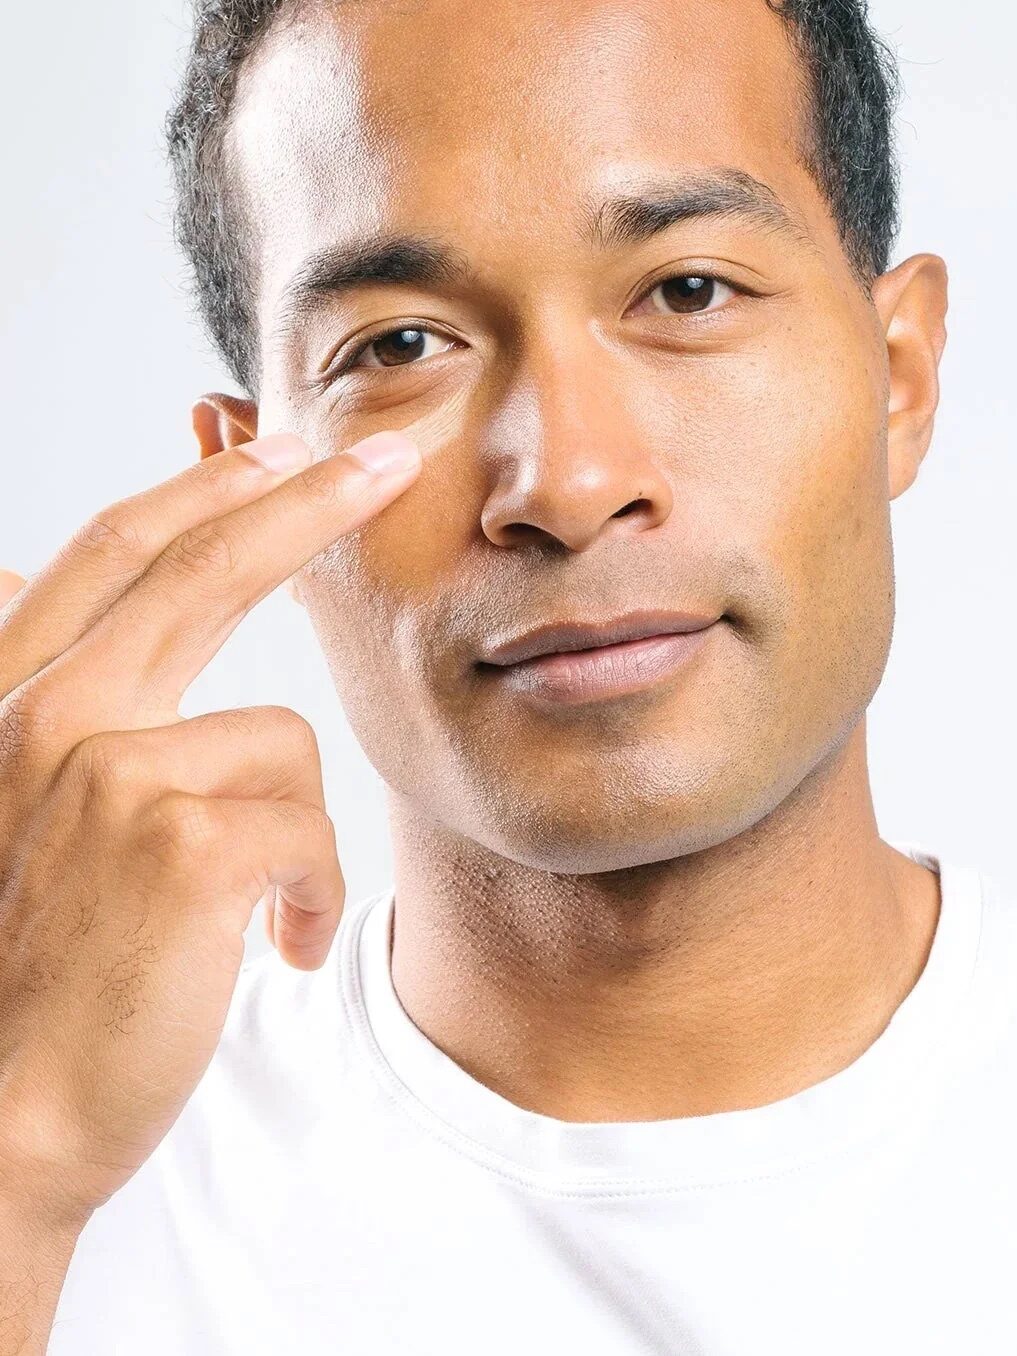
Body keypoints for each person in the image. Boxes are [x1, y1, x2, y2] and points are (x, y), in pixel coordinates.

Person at [0, 0, 1012, 1351]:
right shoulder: (62, 1170)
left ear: (897, 377)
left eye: (686, 291)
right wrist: (22, 1157)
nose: (570, 482)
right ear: (241, 484)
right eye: (399, 346)